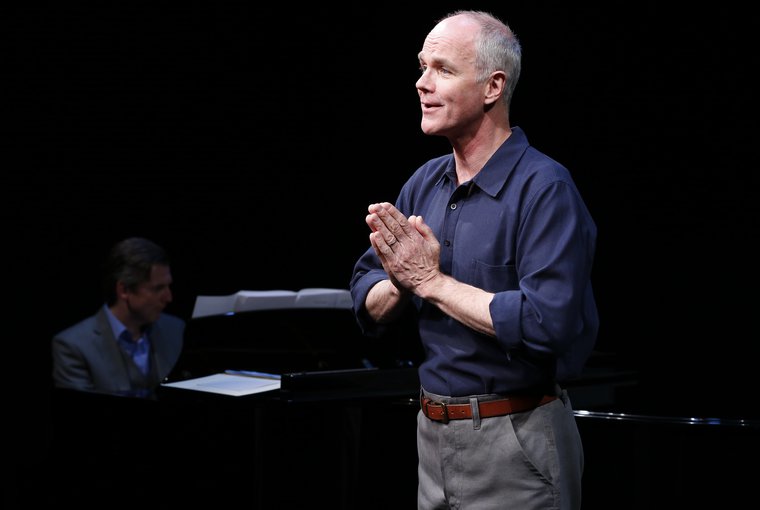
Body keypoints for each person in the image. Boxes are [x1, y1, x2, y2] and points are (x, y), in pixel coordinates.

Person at [349, 10, 598, 510]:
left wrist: (430, 281)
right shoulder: (425, 182)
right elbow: (365, 297)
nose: (422, 83)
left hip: (515, 438)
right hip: (430, 436)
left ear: (493, 87)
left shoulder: (544, 188)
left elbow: (547, 323)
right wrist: (400, 282)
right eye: (422, 67)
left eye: (442, 69)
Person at [51, 236, 185, 399]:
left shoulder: (176, 329)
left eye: (168, 286)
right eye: (157, 289)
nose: (169, 298)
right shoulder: (74, 346)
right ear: (124, 290)